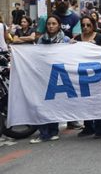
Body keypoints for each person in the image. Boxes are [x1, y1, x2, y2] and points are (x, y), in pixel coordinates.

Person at [30, 15, 69, 144]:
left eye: (54, 23)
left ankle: (53, 131)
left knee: (54, 104)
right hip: (43, 76)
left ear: (59, 25)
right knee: (42, 104)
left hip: (59, 77)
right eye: (49, 24)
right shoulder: (41, 39)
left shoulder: (65, 40)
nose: (51, 26)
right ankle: (44, 133)